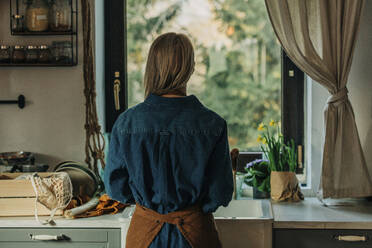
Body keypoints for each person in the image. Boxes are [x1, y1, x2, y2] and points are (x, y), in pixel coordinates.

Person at [104, 32, 234, 248]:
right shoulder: (213, 124)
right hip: (195, 235)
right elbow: (220, 193)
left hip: (144, 235)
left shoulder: (126, 123)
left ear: (151, 67)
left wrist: (147, 204)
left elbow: (116, 188)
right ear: (190, 69)